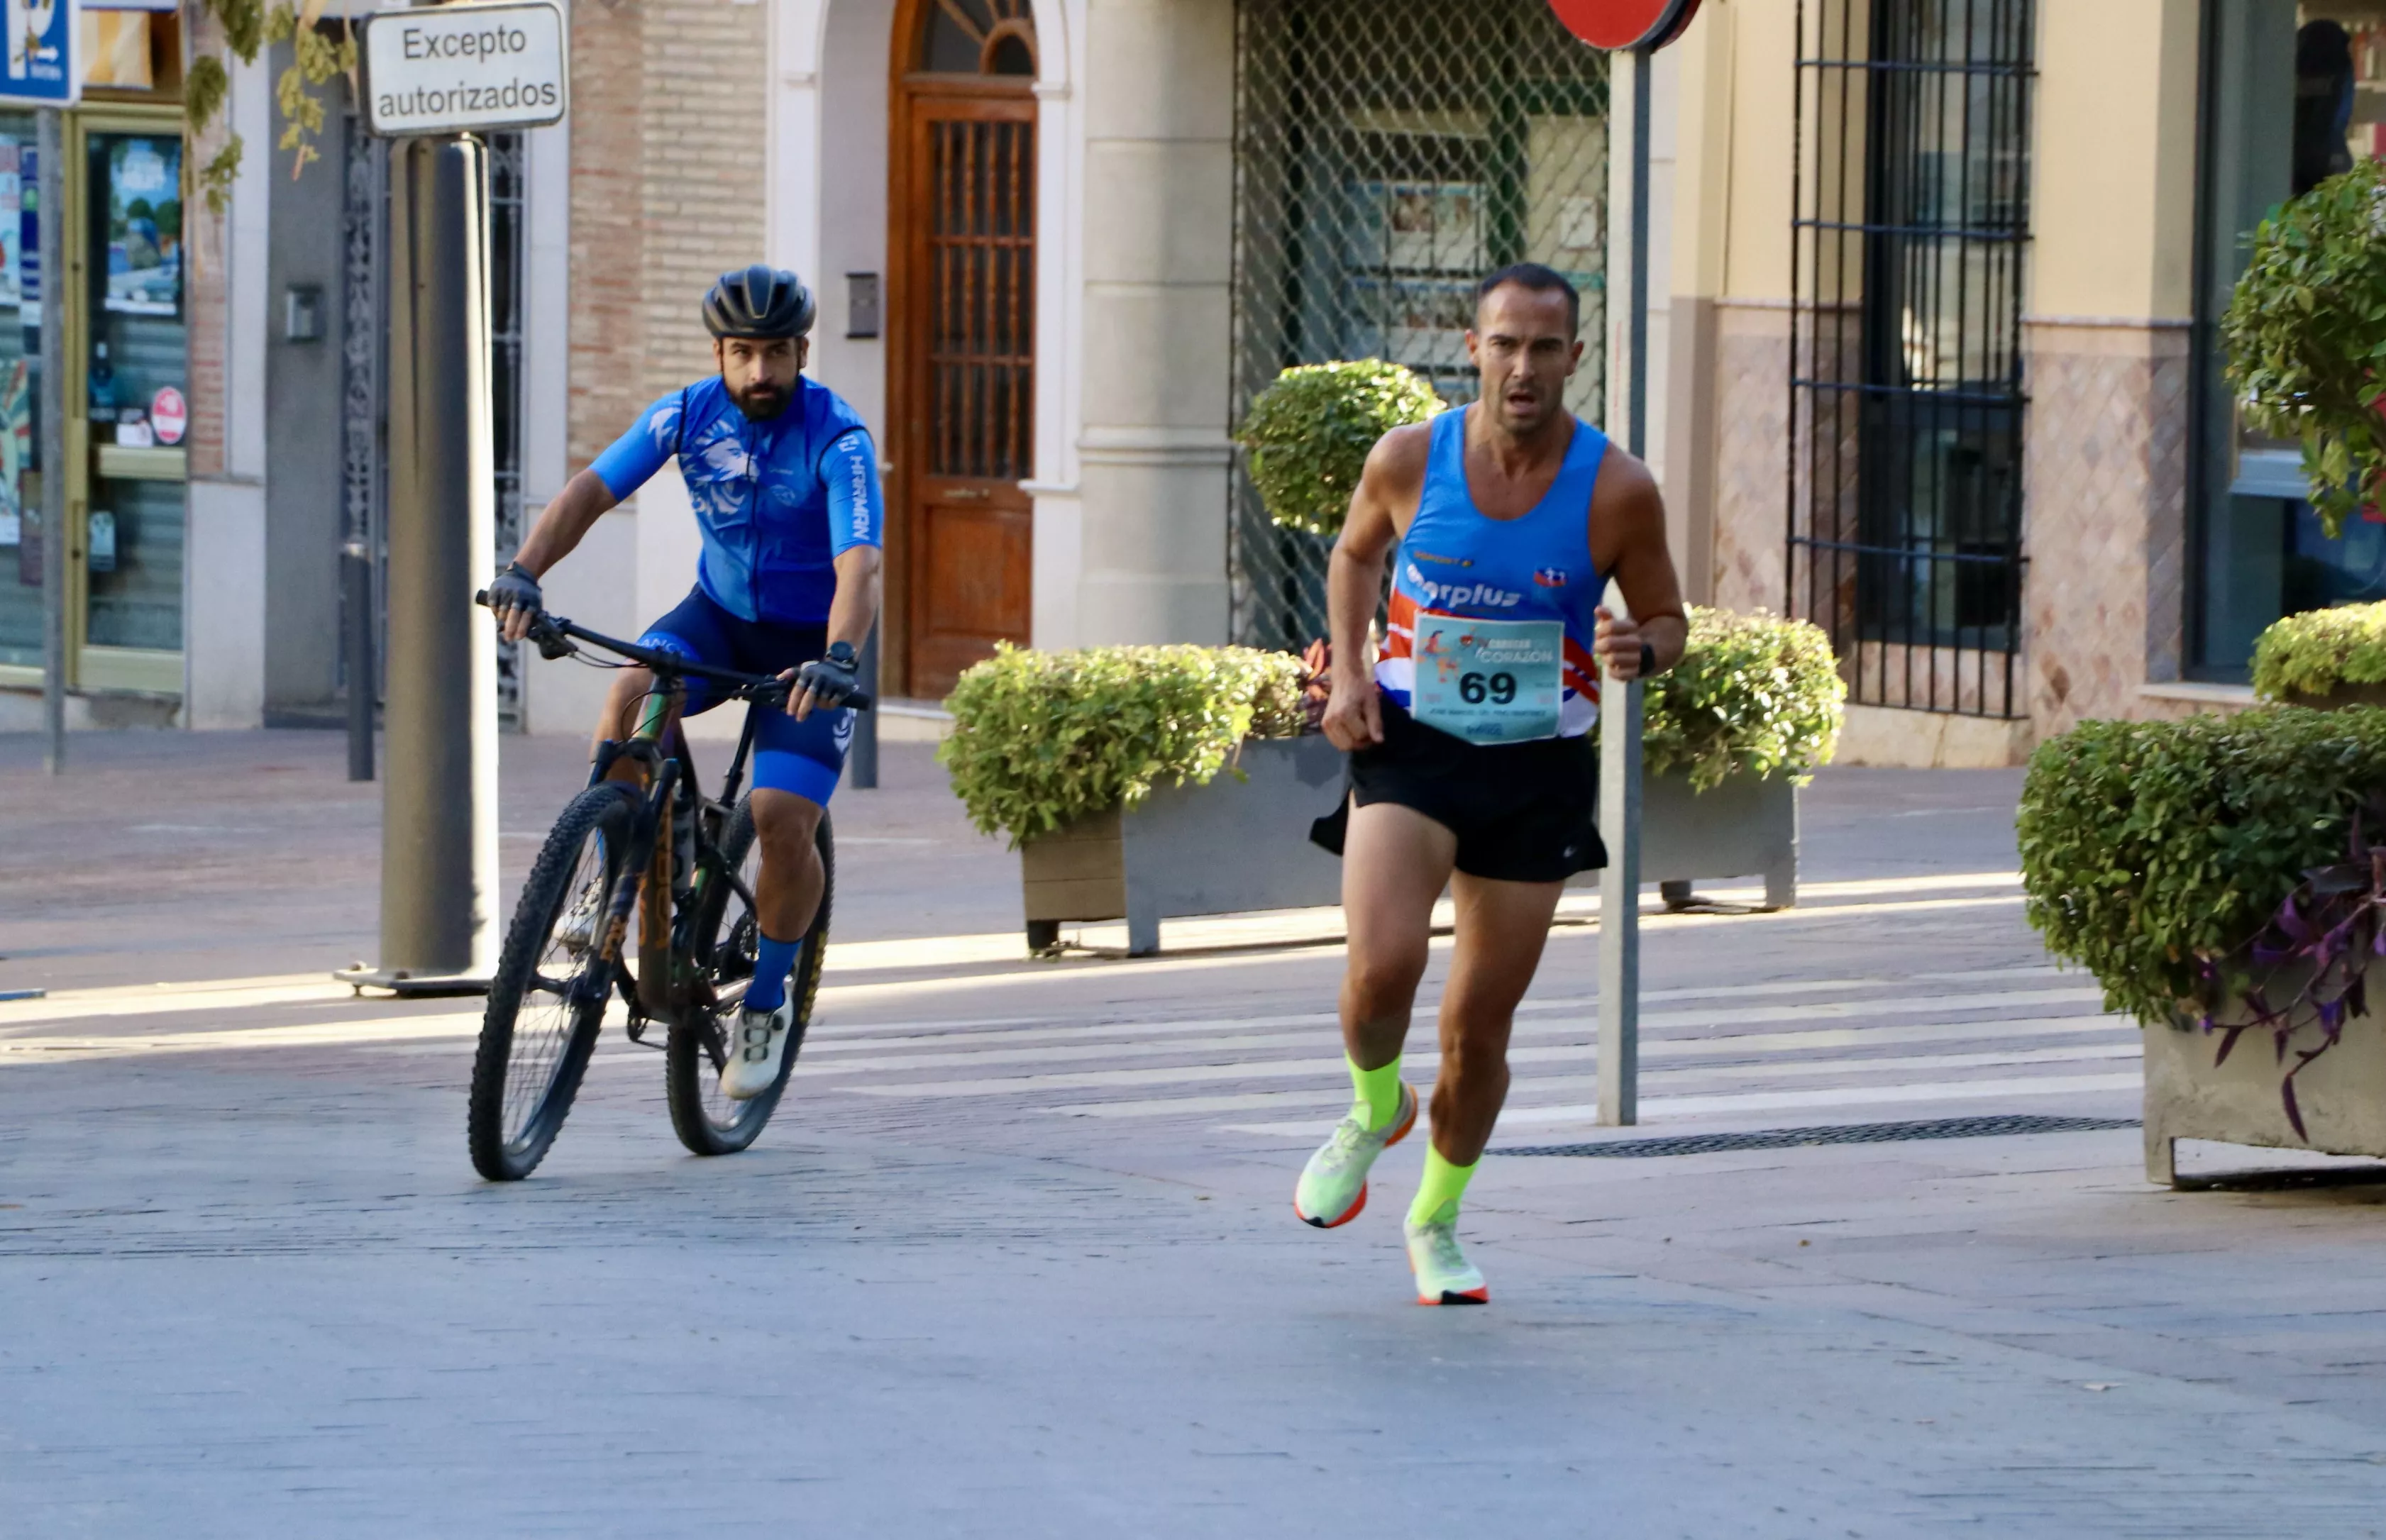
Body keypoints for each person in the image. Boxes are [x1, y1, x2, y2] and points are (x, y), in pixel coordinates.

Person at [1298, 262, 1687, 1305]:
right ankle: (1372, 1103)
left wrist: (1637, 649)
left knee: (1477, 1027)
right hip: (1413, 741)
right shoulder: (1406, 458)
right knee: (1381, 967)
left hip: (1534, 766)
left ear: (1572, 356)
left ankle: (1434, 1218)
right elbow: (1351, 558)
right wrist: (1345, 668)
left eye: (1544, 346)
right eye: (1503, 344)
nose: (1523, 366)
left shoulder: (1616, 487)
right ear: (1471, 349)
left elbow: (1666, 619)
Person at [485, 265, 883, 1099]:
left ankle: (769, 1000)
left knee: (779, 818)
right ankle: (603, 882)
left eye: (776, 354)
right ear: (720, 353)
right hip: (718, 615)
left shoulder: (838, 439)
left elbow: (860, 564)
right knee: (632, 692)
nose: (760, 373)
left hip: (810, 648)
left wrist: (839, 658)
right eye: (744, 353)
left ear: (802, 351)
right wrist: (523, 570)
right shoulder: (686, 413)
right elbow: (590, 492)